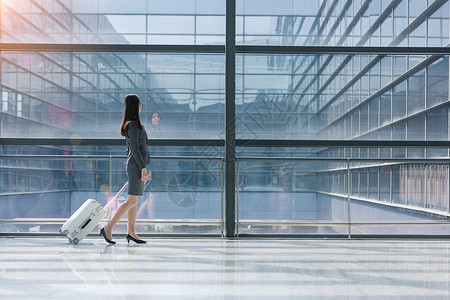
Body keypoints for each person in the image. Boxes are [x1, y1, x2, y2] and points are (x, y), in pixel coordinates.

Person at [100, 94, 150, 244]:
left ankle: (131, 232)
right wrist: (142, 168)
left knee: (133, 201)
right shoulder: (132, 125)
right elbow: (134, 149)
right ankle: (108, 228)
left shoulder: (132, 124)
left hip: (136, 165)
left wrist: (143, 166)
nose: (141, 105)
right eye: (139, 103)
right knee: (131, 201)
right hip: (136, 166)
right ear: (136, 106)